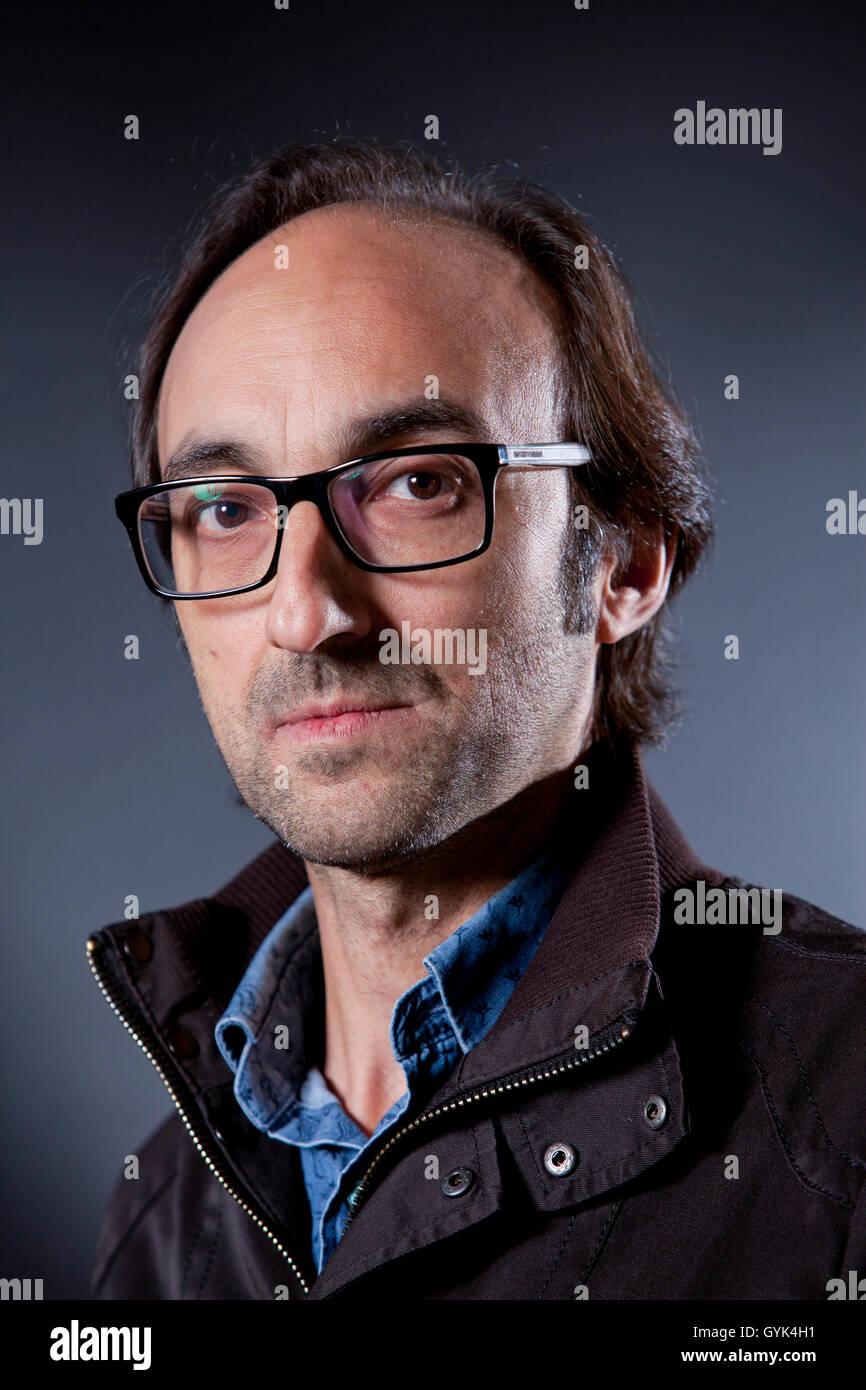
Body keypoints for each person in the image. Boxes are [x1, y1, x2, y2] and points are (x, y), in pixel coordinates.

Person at [89, 138, 866, 1300]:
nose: (305, 612)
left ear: (622, 563)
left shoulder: (840, 1122)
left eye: (415, 484)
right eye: (224, 507)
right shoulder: (163, 1210)